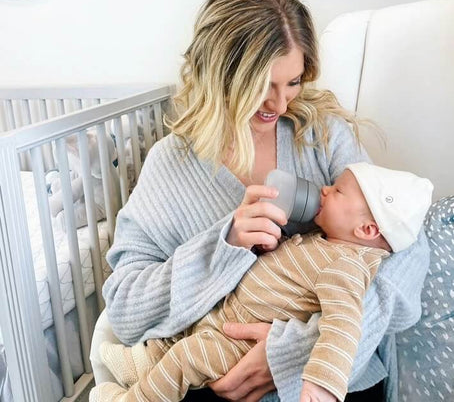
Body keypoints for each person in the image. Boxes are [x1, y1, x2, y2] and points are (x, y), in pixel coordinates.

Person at [89, 0, 430, 402]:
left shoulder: (320, 135)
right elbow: (125, 308)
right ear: (220, 78)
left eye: (293, 82)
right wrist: (223, 245)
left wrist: (294, 354)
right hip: (208, 373)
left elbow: (406, 247)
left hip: (331, 380)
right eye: (264, 86)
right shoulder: (171, 165)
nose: (281, 105)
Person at [89, 163, 433, 402]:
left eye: (338, 190)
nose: (325, 189)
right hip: (229, 314)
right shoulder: (328, 242)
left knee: (188, 358)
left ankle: (135, 397)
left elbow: (345, 325)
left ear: (368, 230)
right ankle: (142, 365)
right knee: (183, 332)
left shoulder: (346, 265)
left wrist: (323, 379)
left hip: (242, 344)